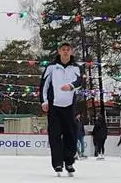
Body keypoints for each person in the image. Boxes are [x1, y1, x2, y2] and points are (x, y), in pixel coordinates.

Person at [39, 41, 82, 176]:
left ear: (71, 51)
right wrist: (44, 101)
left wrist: (71, 86)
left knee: (71, 135)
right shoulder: (52, 67)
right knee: (55, 136)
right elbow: (44, 86)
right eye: (63, 49)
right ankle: (57, 163)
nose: (65, 52)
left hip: (69, 107)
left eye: (67, 49)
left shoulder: (76, 68)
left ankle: (69, 161)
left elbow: (80, 82)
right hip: (54, 107)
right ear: (59, 51)